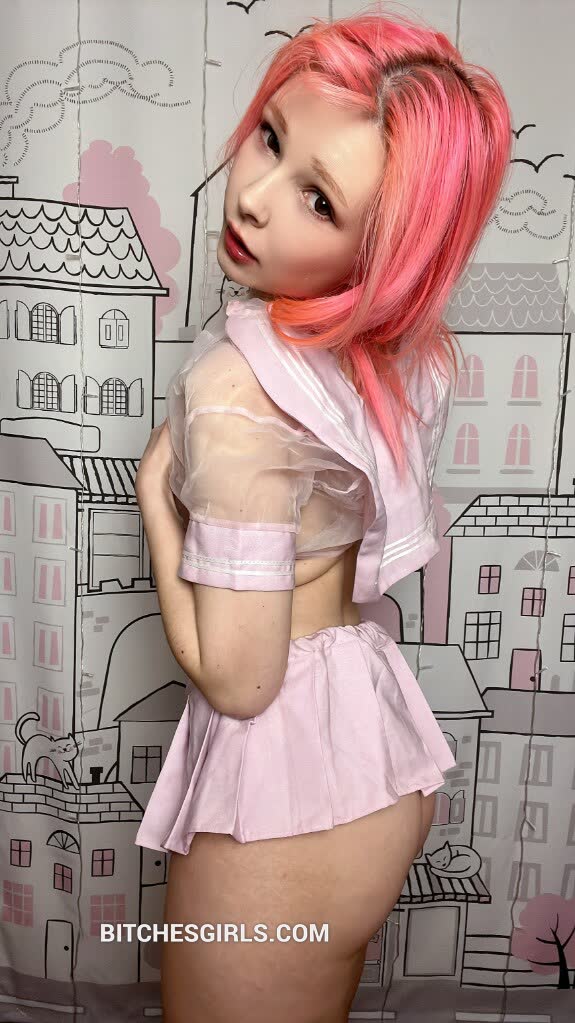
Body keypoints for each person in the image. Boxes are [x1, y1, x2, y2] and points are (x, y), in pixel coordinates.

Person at [134, 9, 512, 1022]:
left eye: (317, 198)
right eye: (270, 137)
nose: (253, 199)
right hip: (368, 748)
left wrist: (155, 505)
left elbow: (241, 681)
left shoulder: (234, 392)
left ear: (378, 252)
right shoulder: (370, 356)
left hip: (286, 792)